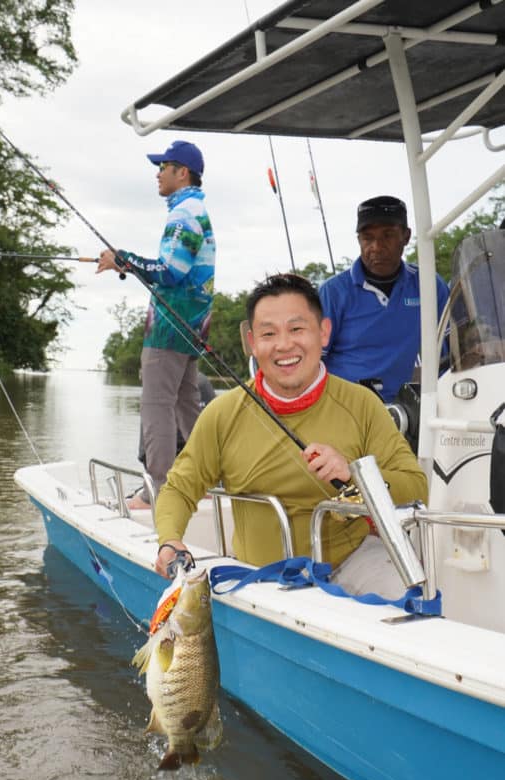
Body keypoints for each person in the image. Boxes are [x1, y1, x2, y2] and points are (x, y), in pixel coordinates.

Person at [154, 274, 428, 598]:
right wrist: (170, 539)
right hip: (257, 576)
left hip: (352, 562)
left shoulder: (363, 404)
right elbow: (179, 488)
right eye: (269, 333)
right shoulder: (221, 413)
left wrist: (354, 473)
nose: (284, 345)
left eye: (297, 329)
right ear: (253, 343)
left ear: (324, 332)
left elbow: (416, 486)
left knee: (406, 594)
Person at [97, 140, 216, 509]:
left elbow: (170, 272)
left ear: (182, 172)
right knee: (185, 402)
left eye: (162, 166)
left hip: (170, 325)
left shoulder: (184, 213)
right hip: (193, 323)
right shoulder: (195, 208)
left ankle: (160, 491)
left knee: (155, 404)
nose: (157, 173)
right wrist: (125, 263)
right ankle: (204, 480)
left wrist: (123, 259)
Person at [319, 195, 450, 403]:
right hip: (344, 407)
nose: (376, 247)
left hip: (409, 409)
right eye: (367, 238)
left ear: (406, 237)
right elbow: (312, 360)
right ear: (359, 240)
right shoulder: (333, 292)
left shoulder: (428, 284)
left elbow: (454, 345)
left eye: (388, 235)